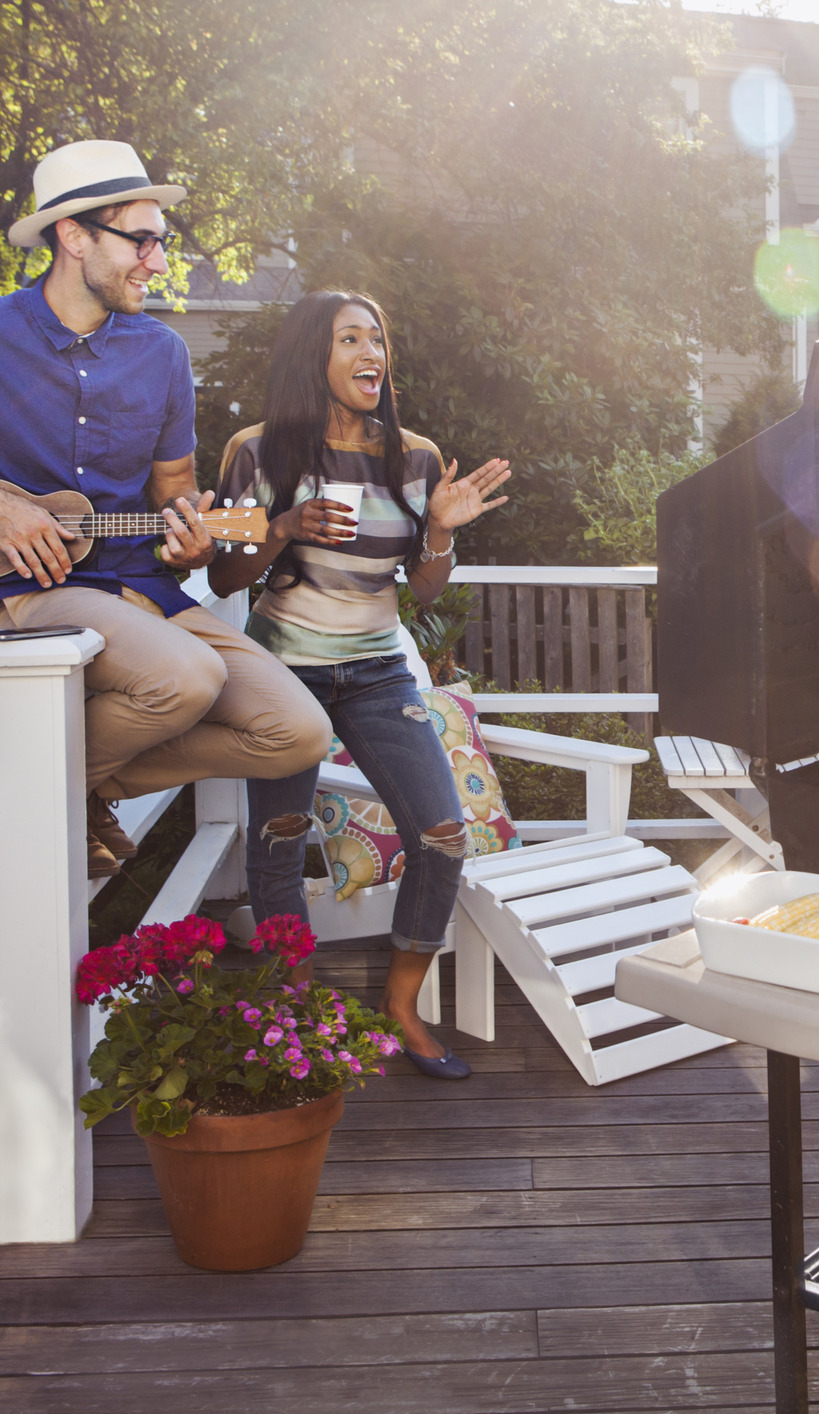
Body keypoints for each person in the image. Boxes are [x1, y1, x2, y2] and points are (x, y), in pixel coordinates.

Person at [0, 140, 331, 877]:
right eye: (141, 240)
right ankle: (58, 786)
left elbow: (173, 492)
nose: (157, 263)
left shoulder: (161, 353)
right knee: (189, 677)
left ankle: (73, 786)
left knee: (296, 732)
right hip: (22, 588)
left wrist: (192, 538)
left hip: (143, 588)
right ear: (72, 236)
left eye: (158, 243)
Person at [211, 291, 510, 1081]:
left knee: (443, 837)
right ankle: (293, 1011)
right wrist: (282, 528)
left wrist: (440, 530)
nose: (370, 351)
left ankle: (399, 1005)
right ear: (316, 355)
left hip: (378, 670)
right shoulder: (258, 451)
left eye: (377, 337)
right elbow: (221, 569)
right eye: (350, 338)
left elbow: (426, 593)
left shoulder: (410, 456)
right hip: (282, 670)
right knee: (277, 848)